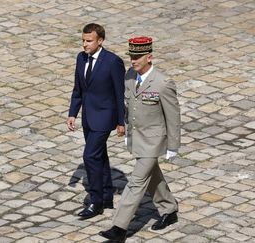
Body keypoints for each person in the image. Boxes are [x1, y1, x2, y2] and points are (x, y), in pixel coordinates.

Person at [99, 36, 181, 242]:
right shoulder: (129, 76)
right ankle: (169, 209)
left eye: (138, 57)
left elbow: (173, 117)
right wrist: (127, 133)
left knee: (136, 182)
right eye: (132, 56)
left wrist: (173, 146)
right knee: (152, 176)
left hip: (153, 142)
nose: (133, 60)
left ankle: (119, 228)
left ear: (149, 57)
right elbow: (129, 109)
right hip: (137, 139)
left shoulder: (162, 83)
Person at [67, 23, 125, 220]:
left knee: (90, 156)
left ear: (100, 41)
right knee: (100, 156)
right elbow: (78, 89)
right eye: (83, 40)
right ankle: (107, 194)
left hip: (104, 117)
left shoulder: (112, 62)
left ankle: (96, 201)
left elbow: (119, 93)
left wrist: (121, 121)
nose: (85, 44)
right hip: (88, 118)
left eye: (89, 41)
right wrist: (73, 113)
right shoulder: (80, 58)